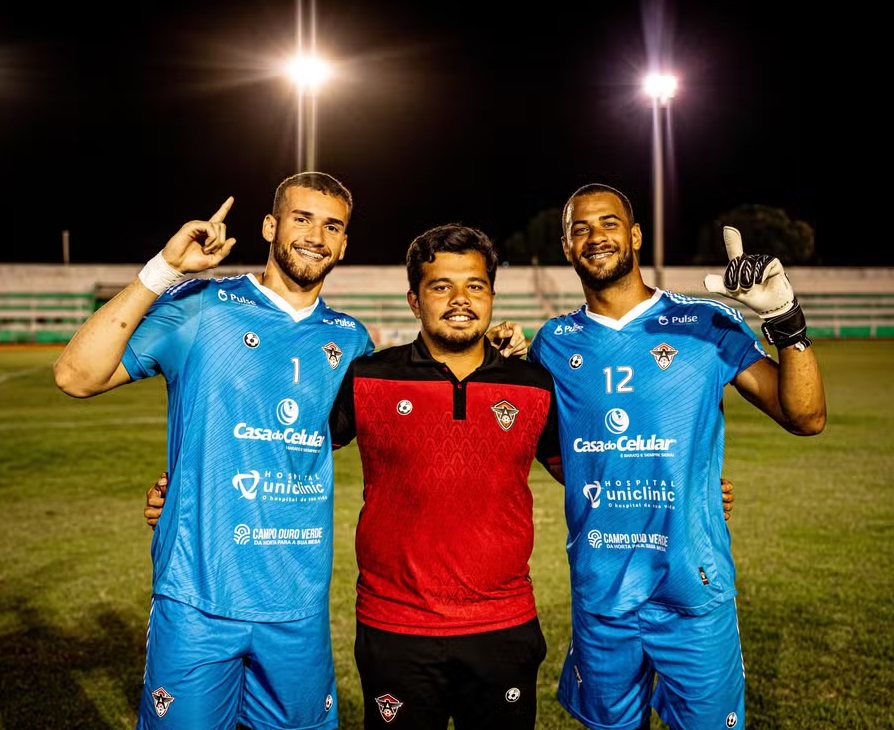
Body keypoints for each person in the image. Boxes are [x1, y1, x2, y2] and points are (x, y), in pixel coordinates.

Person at [144, 222, 737, 730]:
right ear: (413, 299)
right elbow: (284, 445)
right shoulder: (367, 377)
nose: (460, 299)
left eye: (475, 285)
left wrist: (691, 497)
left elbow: (591, 465)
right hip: (394, 628)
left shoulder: (532, 385)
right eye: (441, 286)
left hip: (504, 626)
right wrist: (191, 490)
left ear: (492, 297)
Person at [52, 172, 525, 730]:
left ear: (344, 244)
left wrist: (490, 351)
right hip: (197, 598)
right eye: (301, 219)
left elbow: (419, 409)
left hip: (297, 607)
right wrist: (164, 270)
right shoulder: (204, 306)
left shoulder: (351, 341)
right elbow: (76, 375)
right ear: (271, 226)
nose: (315, 237)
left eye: (332, 226)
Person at [527, 182, 826, 730]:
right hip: (601, 592)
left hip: (694, 586)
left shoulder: (705, 324)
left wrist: (785, 318)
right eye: (580, 228)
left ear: (635, 234)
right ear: (567, 248)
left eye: (609, 223)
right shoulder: (553, 343)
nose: (595, 237)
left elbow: (805, 416)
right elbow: (551, 446)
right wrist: (628, 481)